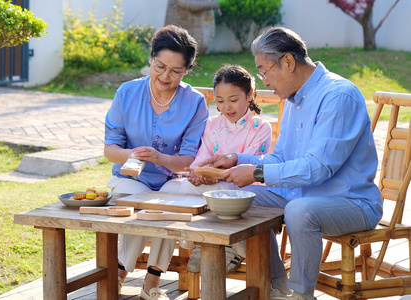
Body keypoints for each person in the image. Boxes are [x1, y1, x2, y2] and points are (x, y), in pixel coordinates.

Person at [197, 27, 382, 300]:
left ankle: (300, 294)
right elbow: (281, 158)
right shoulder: (294, 100)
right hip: (301, 195)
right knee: (240, 197)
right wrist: (238, 160)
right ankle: (275, 286)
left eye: (264, 70)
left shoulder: (338, 95)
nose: (264, 80)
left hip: (351, 202)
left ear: (287, 62)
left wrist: (257, 172)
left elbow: (318, 168)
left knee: (299, 211)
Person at [104, 25, 208, 300]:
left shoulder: (195, 102)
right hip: (129, 178)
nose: (165, 76)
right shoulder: (127, 93)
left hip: (170, 181)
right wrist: (131, 155)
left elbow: (188, 160)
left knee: (169, 203)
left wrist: (161, 159)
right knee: (139, 201)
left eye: (176, 71)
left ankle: (151, 282)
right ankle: (118, 273)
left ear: (186, 70)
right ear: (150, 58)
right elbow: (110, 149)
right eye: (160, 66)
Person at [176, 64, 272, 274]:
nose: (226, 107)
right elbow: (203, 155)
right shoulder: (211, 124)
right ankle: (201, 240)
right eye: (220, 101)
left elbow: (253, 164)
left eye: (233, 100)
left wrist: (218, 177)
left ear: (249, 95)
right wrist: (198, 173)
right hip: (213, 185)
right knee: (185, 188)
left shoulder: (260, 127)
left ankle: (233, 247)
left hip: (241, 186)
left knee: (233, 198)